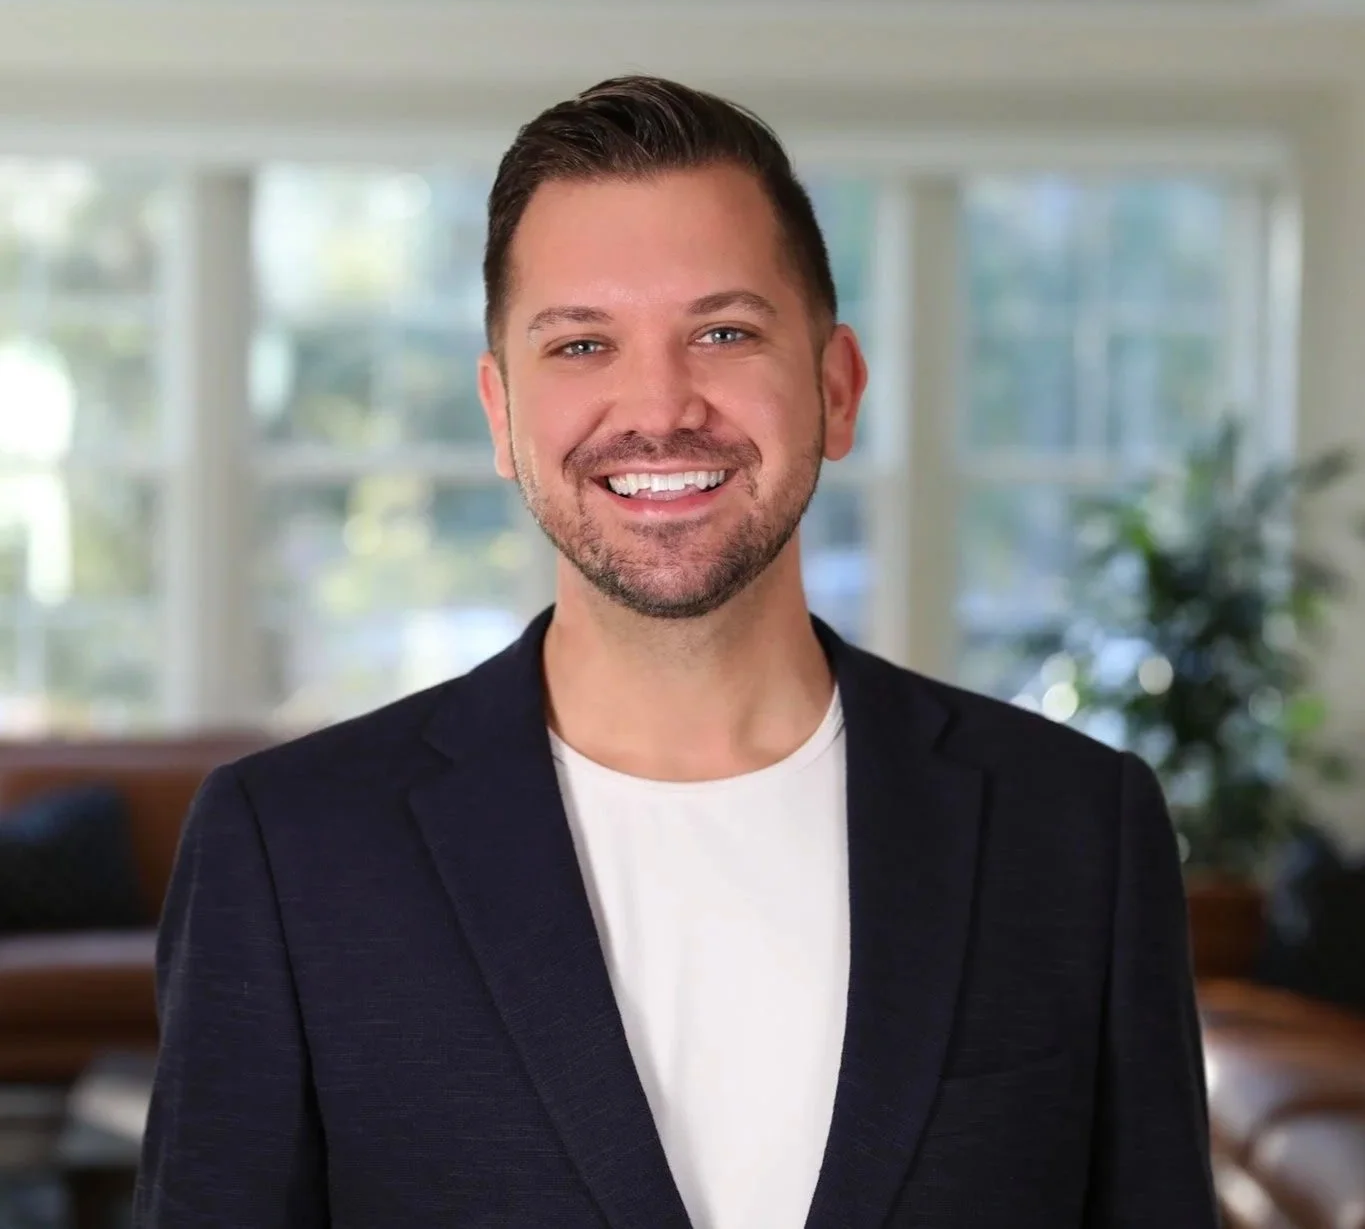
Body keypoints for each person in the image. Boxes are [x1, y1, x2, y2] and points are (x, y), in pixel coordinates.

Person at [134, 76, 1218, 1229]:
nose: (658, 403)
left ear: (835, 388)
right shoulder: (290, 848)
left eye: (723, 331)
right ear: (501, 415)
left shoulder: (1077, 830)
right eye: (582, 343)